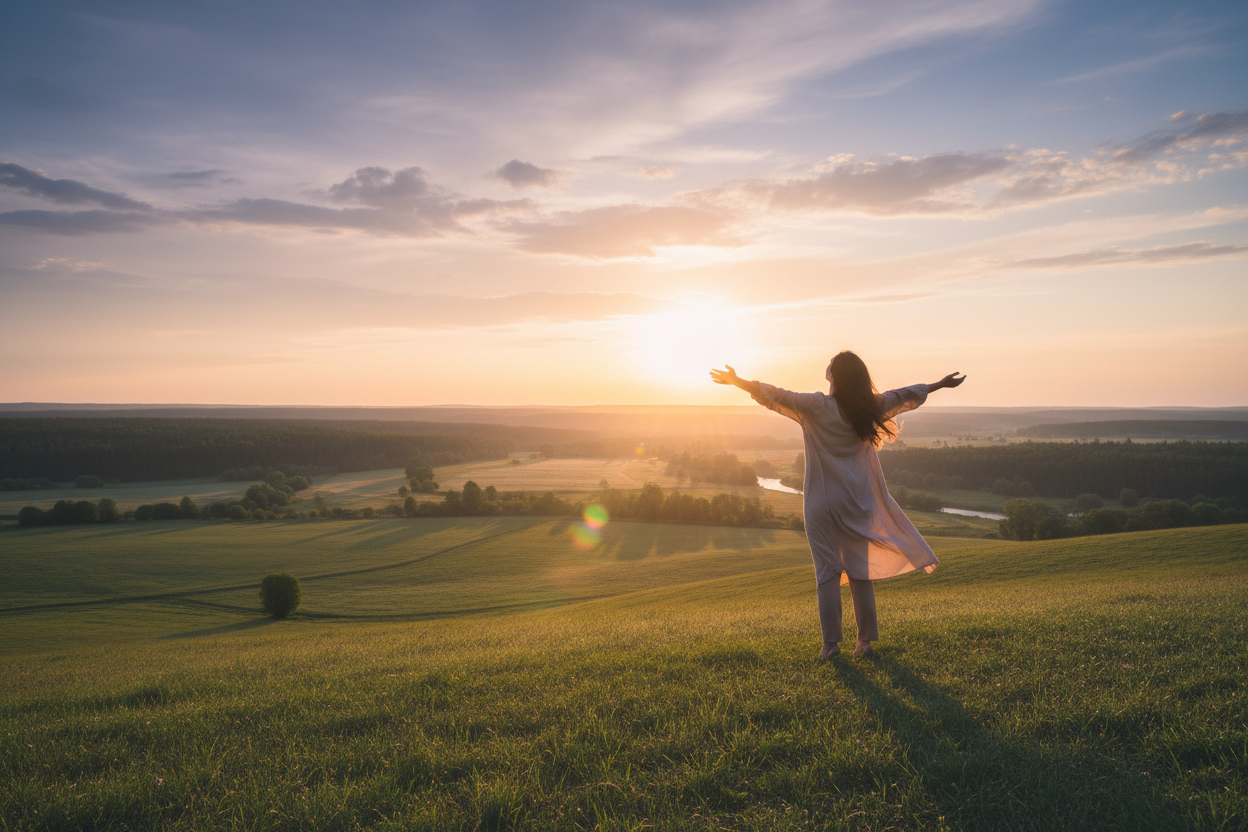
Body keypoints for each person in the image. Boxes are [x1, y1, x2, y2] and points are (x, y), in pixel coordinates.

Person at [711, 352, 965, 659]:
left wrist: (737, 381)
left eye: (831, 362)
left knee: (827, 574)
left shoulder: (818, 406)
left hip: (822, 502)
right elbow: (904, 395)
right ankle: (865, 642)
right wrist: (939, 384)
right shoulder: (869, 407)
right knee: (860, 573)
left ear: (833, 374)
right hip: (858, 501)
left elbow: (775, 394)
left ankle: (830, 646)